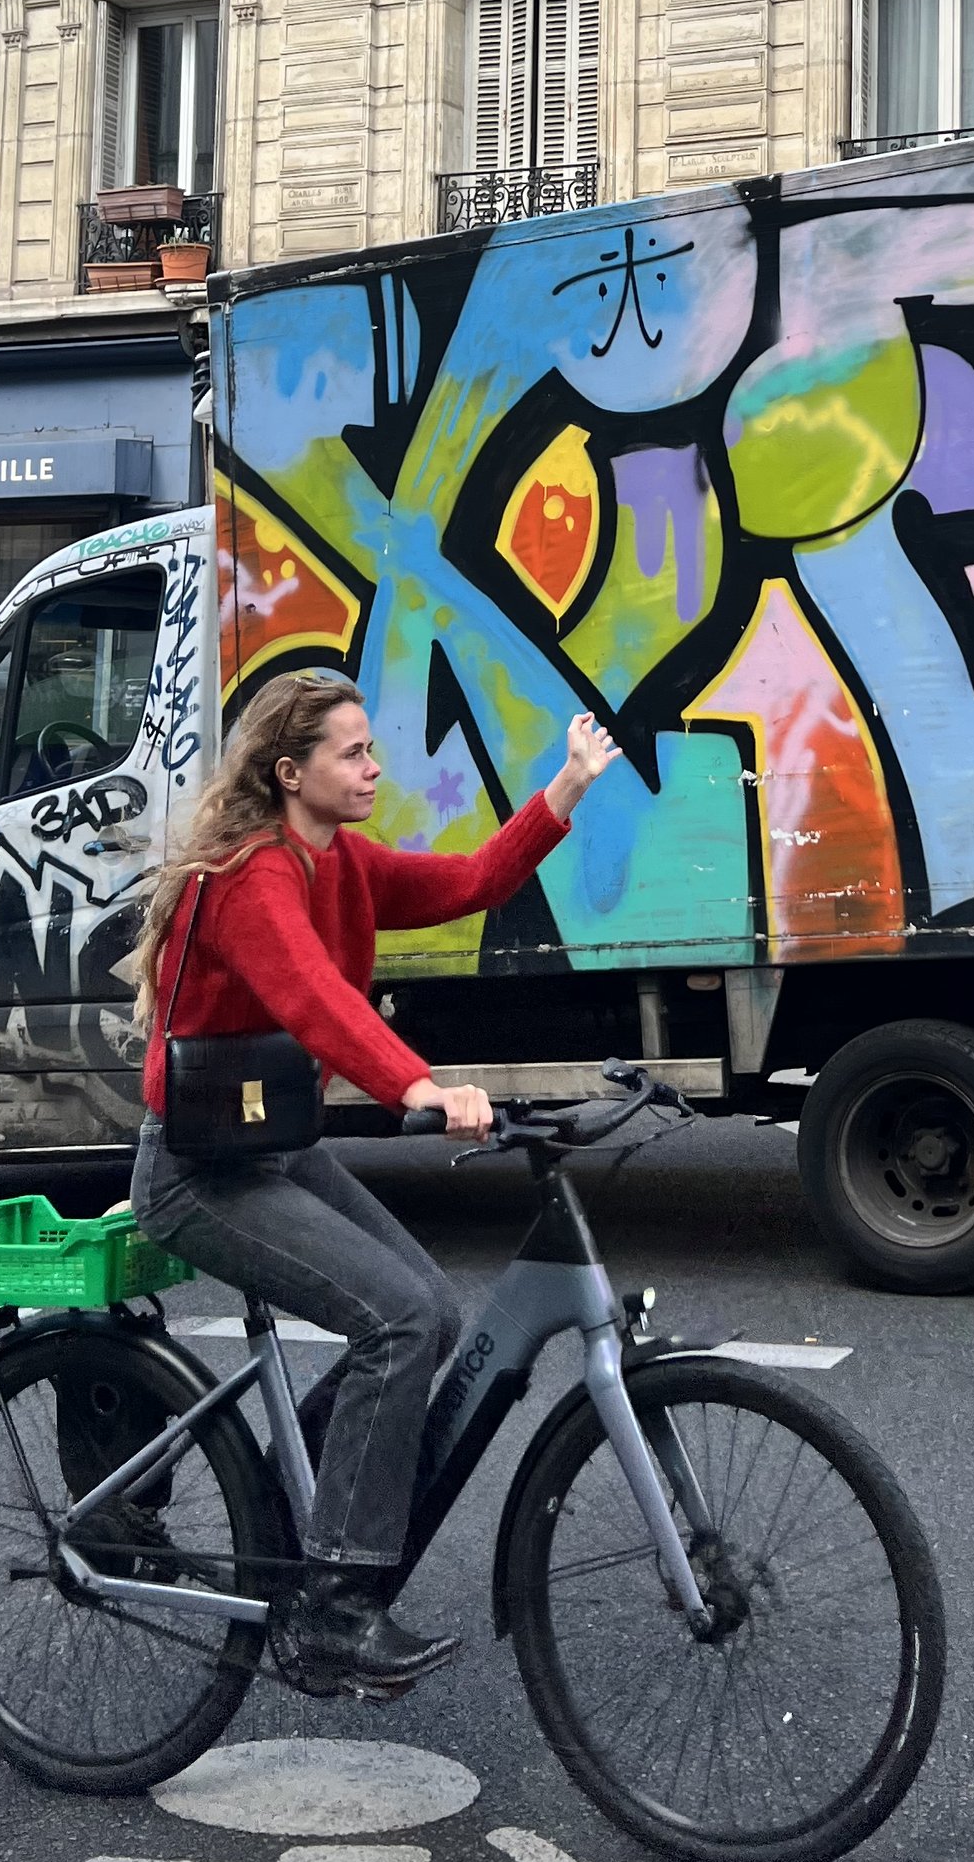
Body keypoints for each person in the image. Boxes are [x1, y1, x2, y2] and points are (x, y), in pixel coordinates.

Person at [126, 672, 619, 1694]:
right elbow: (316, 1006)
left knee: (429, 1314)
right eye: (352, 753)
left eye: (368, 749)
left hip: (272, 1144)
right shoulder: (255, 876)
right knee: (396, 1319)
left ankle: (282, 1505)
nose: (374, 768)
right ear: (289, 772)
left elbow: (470, 883)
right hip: (199, 1165)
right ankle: (332, 1610)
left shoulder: (338, 862)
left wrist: (566, 787)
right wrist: (420, 1086)